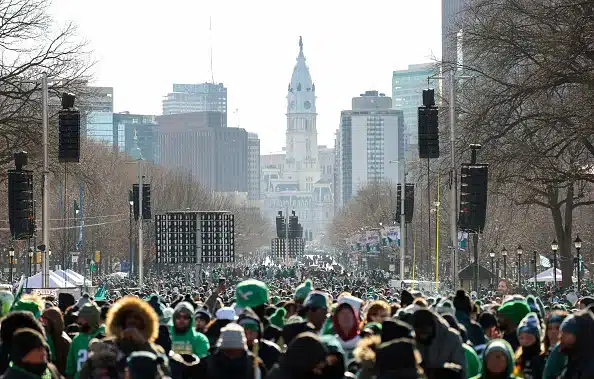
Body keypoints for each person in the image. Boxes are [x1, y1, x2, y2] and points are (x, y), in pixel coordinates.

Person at [412, 308, 466, 378]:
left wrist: (438, 372)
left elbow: (460, 369)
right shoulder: (413, 340)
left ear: (433, 325)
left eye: (426, 332)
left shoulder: (451, 338)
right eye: (420, 332)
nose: (423, 336)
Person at [66, 303, 105, 379]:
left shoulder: (105, 336)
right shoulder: (77, 339)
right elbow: (70, 368)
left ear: (90, 319)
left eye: (81, 318)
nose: (78, 321)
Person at [42, 306, 72, 375]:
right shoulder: (49, 336)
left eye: (44, 319)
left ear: (52, 321)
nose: (42, 322)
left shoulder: (64, 341)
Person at [513, 312, 545, 379]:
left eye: (529, 337)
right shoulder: (518, 358)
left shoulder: (542, 359)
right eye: (521, 338)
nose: (525, 341)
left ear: (537, 338)